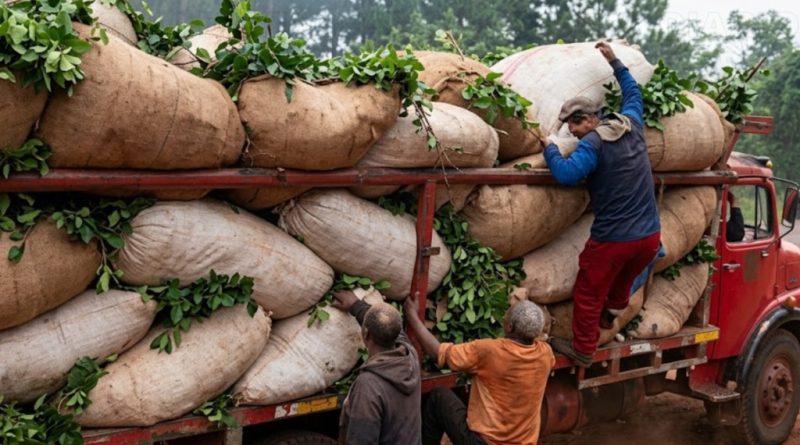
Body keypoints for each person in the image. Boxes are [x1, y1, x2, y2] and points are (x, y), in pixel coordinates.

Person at [542, 41, 661, 367]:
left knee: (588, 290)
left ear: (587, 119)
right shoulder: (631, 124)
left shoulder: (592, 145)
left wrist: (550, 148)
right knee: (622, 280)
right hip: (650, 237)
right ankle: (613, 312)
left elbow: (566, 175)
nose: (574, 134)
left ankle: (583, 349)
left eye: (574, 127)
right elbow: (634, 93)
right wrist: (615, 62)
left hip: (613, 240)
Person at [404, 296, 554, 445]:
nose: (503, 318)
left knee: (438, 396)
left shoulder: (490, 351)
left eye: (506, 317)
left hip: (483, 442)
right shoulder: (546, 354)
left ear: (509, 327)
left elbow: (439, 354)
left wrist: (412, 316)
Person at [334, 290, 421, 445]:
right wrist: (356, 305)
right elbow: (397, 332)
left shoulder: (368, 385)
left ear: (366, 334)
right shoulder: (411, 357)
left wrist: (355, 303)